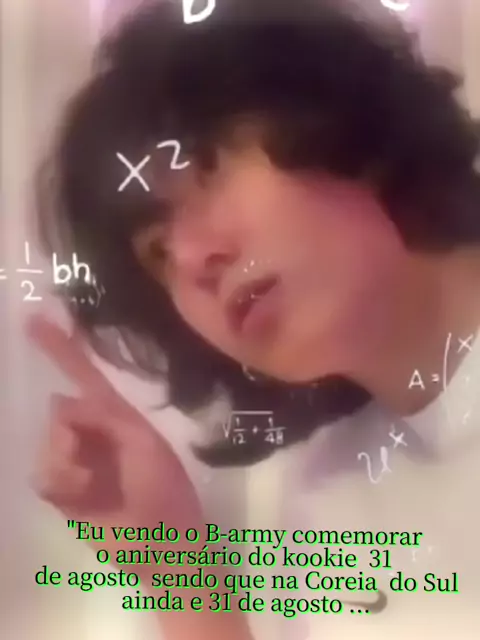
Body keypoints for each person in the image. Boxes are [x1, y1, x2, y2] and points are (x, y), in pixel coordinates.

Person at [29, 0, 480, 638]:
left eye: (207, 171)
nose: (191, 259)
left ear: (331, 113)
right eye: (158, 253)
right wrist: (170, 559)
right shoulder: (327, 507)